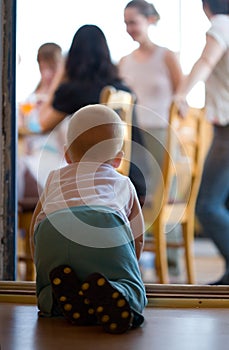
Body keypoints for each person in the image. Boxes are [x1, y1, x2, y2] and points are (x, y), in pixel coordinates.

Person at [29, 104, 147, 334]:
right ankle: (119, 291)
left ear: (66, 155)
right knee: (133, 290)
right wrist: (128, 267)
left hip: (52, 230)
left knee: (45, 288)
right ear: (118, 160)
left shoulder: (54, 177)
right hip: (104, 226)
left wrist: (41, 263)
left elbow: (36, 224)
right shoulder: (122, 183)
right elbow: (138, 237)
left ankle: (56, 298)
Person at [35, 24, 148, 206]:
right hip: (136, 182)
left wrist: (59, 76)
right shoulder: (124, 90)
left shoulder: (75, 91)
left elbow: (41, 123)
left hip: (105, 188)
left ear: (72, 58)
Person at [174, 0, 229, 285]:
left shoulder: (221, 24)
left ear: (206, 6)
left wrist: (182, 94)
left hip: (228, 129)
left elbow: (206, 61)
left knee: (207, 204)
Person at [118, 0, 183, 200]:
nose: (129, 28)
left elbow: (181, 95)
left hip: (161, 131)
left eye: (133, 22)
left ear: (150, 20)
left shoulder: (167, 56)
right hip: (132, 134)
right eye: (126, 23)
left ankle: (167, 232)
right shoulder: (124, 62)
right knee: (136, 191)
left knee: (164, 191)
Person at [18, 42, 65, 199]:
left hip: (55, 158)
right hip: (33, 154)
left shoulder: (63, 99)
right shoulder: (32, 98)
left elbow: (39, 126)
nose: (47, 75)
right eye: (43, 68)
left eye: (52, 68)